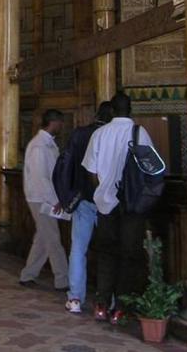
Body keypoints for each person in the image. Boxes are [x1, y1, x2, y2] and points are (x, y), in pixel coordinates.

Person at [83, 92, 154, 324]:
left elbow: (91, 170)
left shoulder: (100, 134)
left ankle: (102, 304)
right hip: (132, 206)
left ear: (111, 111)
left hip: (105, 204)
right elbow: (150, 169)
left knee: (106, 253)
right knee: (129, 255)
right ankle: (121, 308)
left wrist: (102, 192)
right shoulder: (139, 133)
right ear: (130, 109)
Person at [63, 101, 113, 314]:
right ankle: (107, 301)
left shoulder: (79, 135)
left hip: (83, 199)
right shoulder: (112, 135)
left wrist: (67, 195)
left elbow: (67, 165)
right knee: (108, 250)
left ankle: (75, 298)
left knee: (78, 249)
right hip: (109, 202)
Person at [19, 109, 69, 290]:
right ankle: (63, 280)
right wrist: (54, 200)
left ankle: (28, 274)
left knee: (43, 237)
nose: (62, 126)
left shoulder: (48, 144)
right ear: (54, 122)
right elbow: (41, 177)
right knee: (53, 239)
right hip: (41, 198)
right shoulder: (39, 146)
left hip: (45, 197)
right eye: (60, 123)